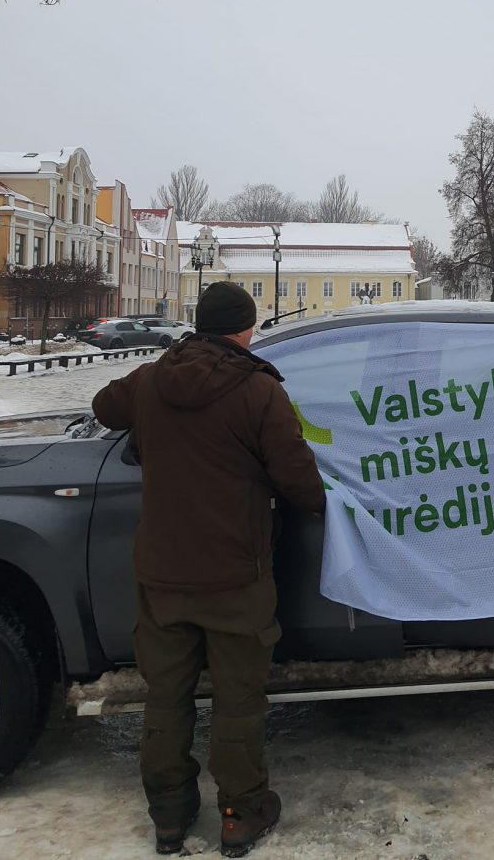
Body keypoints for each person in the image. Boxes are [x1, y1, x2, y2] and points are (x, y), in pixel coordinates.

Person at [92, 281, 326, 858]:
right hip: (235, 576)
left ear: (199, 325)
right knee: (237, 698)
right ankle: (241, 814)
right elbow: (298, 481)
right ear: (245, 330)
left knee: (166, 695)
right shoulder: (259, 392)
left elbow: (102, 406)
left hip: (162, 573)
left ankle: (169, 818)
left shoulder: (152, 379)